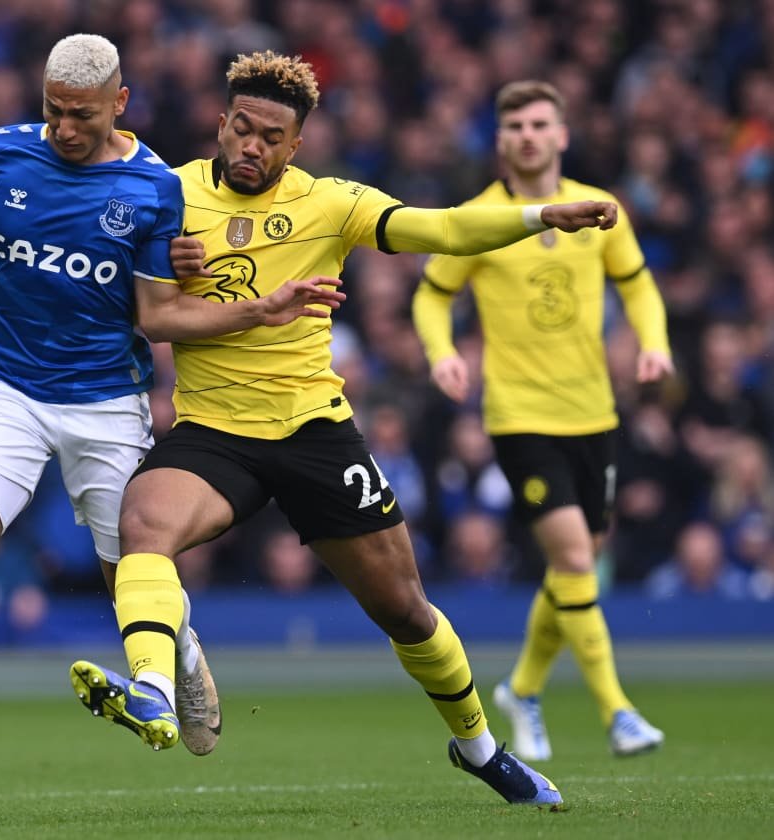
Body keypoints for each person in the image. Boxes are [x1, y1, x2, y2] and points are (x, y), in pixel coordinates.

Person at [0, 34, 345, 820]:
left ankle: (180, 649)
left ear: (119, 103)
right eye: (53, 110)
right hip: (6, 388)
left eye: (82, 115)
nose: (64, 128)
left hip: (106, 403)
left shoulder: (153, 187)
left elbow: (158, 315)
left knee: (132, 574)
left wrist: (254, 310)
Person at [68, 52, 619, 810]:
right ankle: (156, 690)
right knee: (142, 524)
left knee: (406, 611)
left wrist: (538, 217)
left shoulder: (329, 202)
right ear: (220, 124)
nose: (253, 146)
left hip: (315, 434)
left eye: (272, 137)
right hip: (214, 432)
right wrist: (156, 255)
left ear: (296, 145)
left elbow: (442, 228)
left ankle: (480, 749)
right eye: (242, 128)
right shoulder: (171, 193)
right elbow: (108, 269)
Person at [411, 80, 674, 761]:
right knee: (579, 560)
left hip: (594, 414)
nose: (527, 136)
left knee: (572, 569)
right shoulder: (481, 218)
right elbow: (432, 296)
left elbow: (638, 283)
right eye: (515, 127)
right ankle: (618, 712)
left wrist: (653, 341)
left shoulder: (600, 209)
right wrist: (442, 353)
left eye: (538, 124)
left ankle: (522, 689)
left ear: (561, 135)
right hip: (520, 417)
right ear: (500, 140)